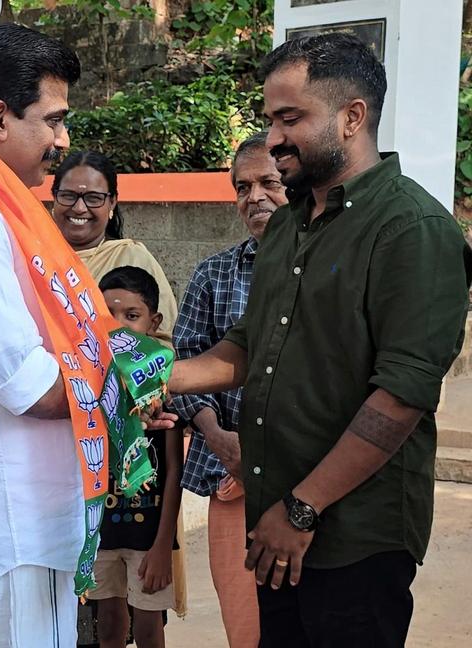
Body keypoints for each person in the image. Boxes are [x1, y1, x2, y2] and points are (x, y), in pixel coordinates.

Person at [169, 33, 472, 647]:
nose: (273, 137)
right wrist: (146, 373)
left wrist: (302, 509)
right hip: (274, 523)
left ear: (351, 117)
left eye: (290, 118)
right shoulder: (287, 225)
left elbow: (402, 396)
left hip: (355, 535)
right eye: (269, 119)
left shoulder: (412, 229)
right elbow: (246, 349)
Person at [0, 24, 175, 647]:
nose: (61, 140)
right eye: (52, 120)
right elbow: (36, 387)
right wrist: (171, 373)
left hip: (23, 521)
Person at [170, 131, 287, 648]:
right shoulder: (214, 274)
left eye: (269, 182)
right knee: (245, 625)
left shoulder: (330, 270)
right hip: (231, 475)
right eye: (242, 187)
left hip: (307, 482)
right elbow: (187, 364)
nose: (254, 197)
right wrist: (218, 437)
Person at [89, 266, 184, 648]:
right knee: (108, 625)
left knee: (148, 628)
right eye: (110, 316)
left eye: (132, 316)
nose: (120, 327)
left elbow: (175, 469)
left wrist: (164, 545)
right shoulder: (88, 381)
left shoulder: (164, 384)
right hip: (101, 533)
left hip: (148, 536)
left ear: (154, 321)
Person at [52, 150, 177, 341]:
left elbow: (163, 341)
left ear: (112, 202)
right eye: (68, 196)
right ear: (54, 197)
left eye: (93, 198)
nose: (79, 208)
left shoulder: (132, 258)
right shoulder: (29, 254)